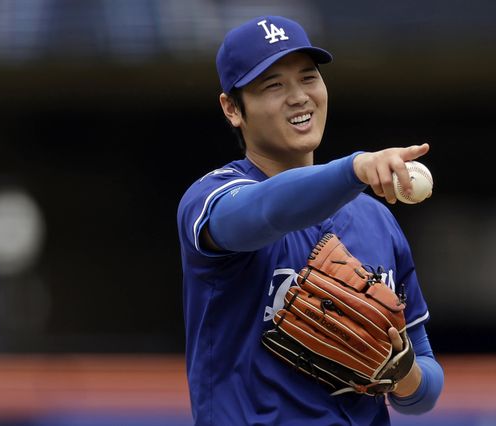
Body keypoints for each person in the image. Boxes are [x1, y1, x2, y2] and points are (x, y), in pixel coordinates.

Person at [177, 15, 444, 426]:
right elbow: (267, 211)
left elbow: (424, 390)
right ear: (232, 109)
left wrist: (401, 371)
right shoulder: (212, 198)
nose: (299, 97)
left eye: (308, 78)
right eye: (273, 85)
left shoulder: (376, 219)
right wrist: (354, 169)